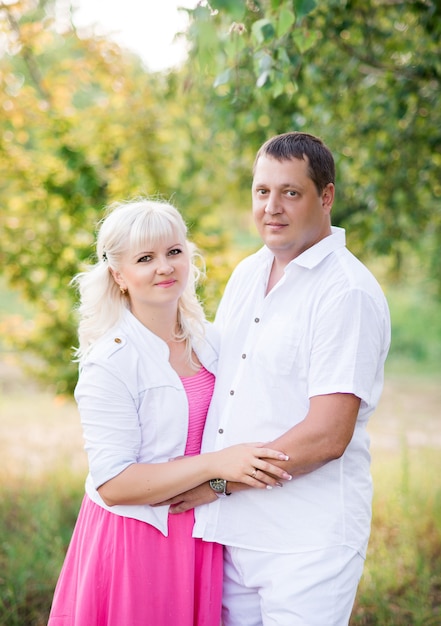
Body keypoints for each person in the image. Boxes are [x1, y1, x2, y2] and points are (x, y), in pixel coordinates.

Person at [163, 132, 391, 625]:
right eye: (262, 191)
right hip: (232, 535)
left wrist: (218, 482)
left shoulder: (345, 293)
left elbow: (328, 435)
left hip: (306, 542)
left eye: (291, 192)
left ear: (325, 197)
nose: (272, 207)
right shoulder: (249, 273)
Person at [47, 198, 292, 626]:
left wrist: (218, 480)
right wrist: (216, 465)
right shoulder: (111, 361)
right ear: (119, 276)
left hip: (201, 533)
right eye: (146, 258)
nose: (164, 267)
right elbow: (114, 483)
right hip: (136, 540)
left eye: (174, 252)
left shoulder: (210, 341)